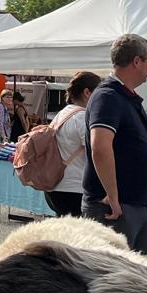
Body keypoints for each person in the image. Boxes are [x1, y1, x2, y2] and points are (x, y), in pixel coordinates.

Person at [81, 34, 147, 258]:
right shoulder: (108, 96)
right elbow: (100, 146)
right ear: (137, 61)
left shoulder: (123, 96)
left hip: (135, 203)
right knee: (113, 278)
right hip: (116, 206)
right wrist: (113, 196)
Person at [44, 71, 101, 218]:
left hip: (55, 186)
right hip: (75, 188)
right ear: (87, 92)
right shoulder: (82, 117)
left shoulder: (62, 114)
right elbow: (96, 154)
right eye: (99, 92)